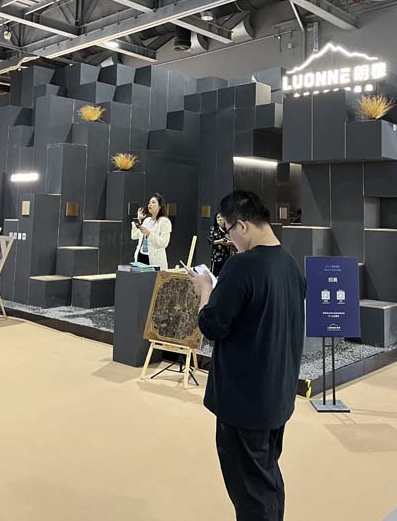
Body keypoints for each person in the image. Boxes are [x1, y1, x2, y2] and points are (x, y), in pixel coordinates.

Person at [190, 190, 305, 521]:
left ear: (241, 225)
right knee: (266, 480)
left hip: (244, 403)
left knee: (252, 494)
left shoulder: (241, 266)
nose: (229, 241)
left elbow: (212, 325)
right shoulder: (290, 265)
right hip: (276, 396)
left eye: (228, 232)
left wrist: (205, 290)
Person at [131, 193, 172, 270]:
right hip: (141, 256)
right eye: (149, 203)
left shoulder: (164, 221)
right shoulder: (147, 220)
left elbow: (164, 243)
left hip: (155, 260)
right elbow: (134, 236)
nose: (150, 204)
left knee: (153, 277)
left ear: (160, 206)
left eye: (153, 202)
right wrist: (138, 220)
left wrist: (149, 234)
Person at [208, 212, 234, 277]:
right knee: (214, 274)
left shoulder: (228, 229)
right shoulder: (213, 229)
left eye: (221, 217)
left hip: (227, 256)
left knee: (225, 274)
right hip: (217, 257)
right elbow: (210, 241)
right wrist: (220, 241)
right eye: (218, 217)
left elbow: (234, 240)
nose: (220, 219)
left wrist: (230, 242)